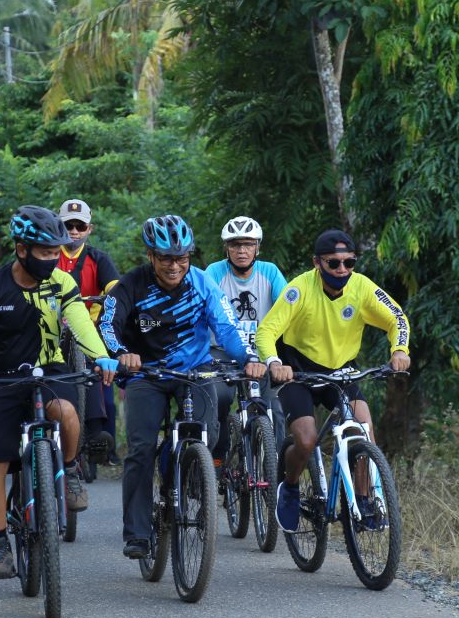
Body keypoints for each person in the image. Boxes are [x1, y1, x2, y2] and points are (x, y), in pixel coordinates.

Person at [0, 206, 117, 581]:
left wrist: (103, 357)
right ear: (21, 249)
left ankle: (70, 469)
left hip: (49, 371)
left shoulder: (62, 282)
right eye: (44, 252)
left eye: (55, 252)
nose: (53, 258)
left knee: (67, 412)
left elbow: (79, 325)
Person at [99, 214, 264, 559]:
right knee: (141, 448)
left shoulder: (203, 283)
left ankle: (192, 472)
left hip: (195, 370)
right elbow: (108, 326)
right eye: (166, 258)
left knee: (210, 426)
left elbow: (227, 329)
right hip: (147, 374)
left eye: (182, 258)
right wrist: (122, 353)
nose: (175, 266)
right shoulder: (130, 286)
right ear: (150, 256)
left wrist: (248, 358)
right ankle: (139, 533)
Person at [255, 229, 412, 533]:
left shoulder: (362, 287)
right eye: (334, 263)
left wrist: (400, 350)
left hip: (340, 371)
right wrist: (274, 363)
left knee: (364, 431)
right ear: (317, 263)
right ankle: (288, 486)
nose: (342, 270)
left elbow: (397, 317)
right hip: (297, 371)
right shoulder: (299, 289)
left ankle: (364, 500)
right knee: (306, 440)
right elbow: (267, 331)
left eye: (349, 262)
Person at [202, 215, 288, 463]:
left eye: (248, 244)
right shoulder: (214, 273)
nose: (242, 250)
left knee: (275, 409)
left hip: (261, 353)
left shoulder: (270, 272)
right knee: (219, 397)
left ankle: (276, 471)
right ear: (226, 248)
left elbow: (288, 310)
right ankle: (216, 457)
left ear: (257, 247)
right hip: (221, 352)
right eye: (235, 244)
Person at [56, 198, 121, 464]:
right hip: (52, 330)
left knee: (103, 377)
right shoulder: (48, 255)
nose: (73, 231)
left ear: (89, 229)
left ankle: (105, 443)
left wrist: (112, 299)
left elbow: (116, 288)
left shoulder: (98, 258)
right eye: (68, 225)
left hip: (90, 330)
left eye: (79, 226)